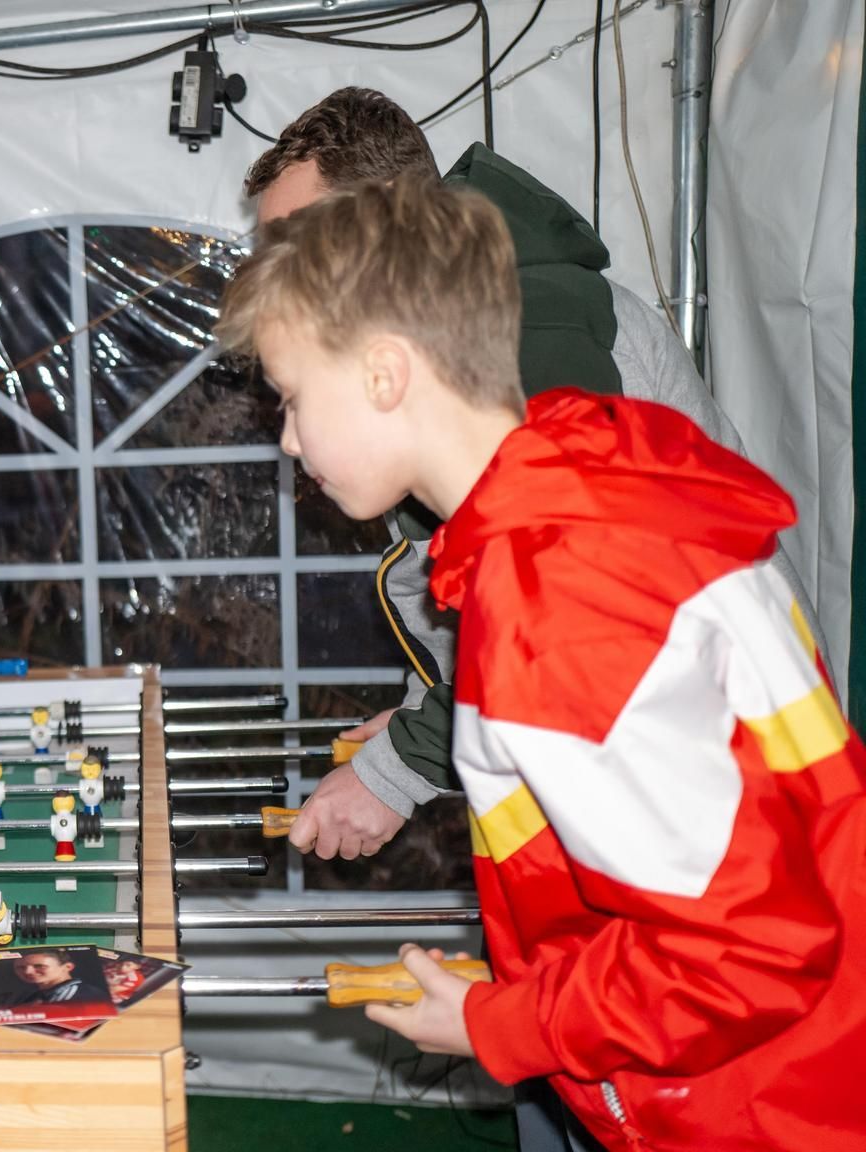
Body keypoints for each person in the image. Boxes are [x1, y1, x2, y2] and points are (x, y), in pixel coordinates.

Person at [215, 173, 866, 1151]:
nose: (290, 437)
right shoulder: (593, 477)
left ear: (386, 373)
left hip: (757, 1107)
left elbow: (743, 958)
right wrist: (538, 984)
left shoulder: (553, 594)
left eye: (297, 398)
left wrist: (501, 1024)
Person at [240, 87, 818, 865]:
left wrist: (403, 765)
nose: (289, 440)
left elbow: (711, 895)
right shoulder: (487, 369)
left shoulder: (536, 346)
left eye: (299, 244)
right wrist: (441, 721)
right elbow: (499, 615)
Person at [10, 950, 103, 1005]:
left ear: (67, 967)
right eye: (21, 967)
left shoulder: (84, 995)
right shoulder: (30, 996)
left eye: (39, 966)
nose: (27, 972)